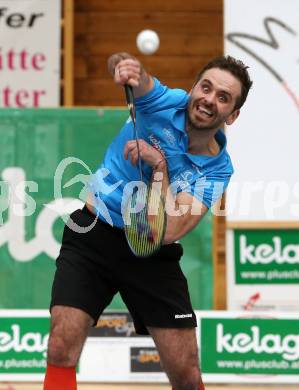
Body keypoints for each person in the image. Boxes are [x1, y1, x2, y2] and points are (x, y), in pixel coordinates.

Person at [43, 52, 252, 390]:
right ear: (195, 87)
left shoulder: (217, 169)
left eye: (223, 97)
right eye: (206, 87)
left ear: (233, 115)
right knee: (60, 346)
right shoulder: (166, 102)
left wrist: (160, 170)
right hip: (94, 235)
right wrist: (124, 65)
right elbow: (138, 80)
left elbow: (170, 230)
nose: (208, 99)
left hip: (151, 250)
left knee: (186, 375)